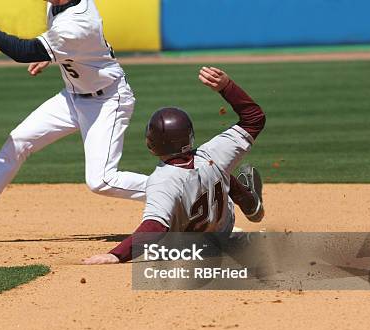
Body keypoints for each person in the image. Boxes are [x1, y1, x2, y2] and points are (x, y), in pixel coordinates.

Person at [0, 0, 149, 237]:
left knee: (102, 181)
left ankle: (176, 191)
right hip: (73, 96)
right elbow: (72, 46)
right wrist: (53, 55)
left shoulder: (78, 20)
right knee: (19, 140)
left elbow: (22, 52)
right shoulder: (56, 6)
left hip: (107, 101)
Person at [83, 66, 266, 265]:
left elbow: (154, 226)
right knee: (217, 169)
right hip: (224, 225)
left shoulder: (161, 181)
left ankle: (240, 220)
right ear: (190, 136)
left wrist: (116, 254)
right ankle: (249, 201)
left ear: (151, 145)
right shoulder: (213, 153)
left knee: (213, 177)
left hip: (188, 249)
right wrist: (227, 87)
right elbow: (254, 118)